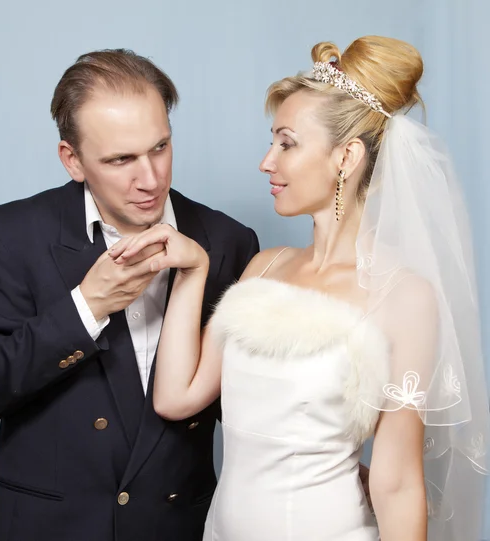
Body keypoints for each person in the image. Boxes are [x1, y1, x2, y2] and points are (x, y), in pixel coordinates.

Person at [108, 36, 490, 541]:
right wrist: (194, 270)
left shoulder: (404, 297)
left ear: (346, 157)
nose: (267, 161)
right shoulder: (264, 268)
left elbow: (397, 483)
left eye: (287, 143)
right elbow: (176, 398)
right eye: (273, 142)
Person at [0, 49, 259, 541]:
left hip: (177, 525)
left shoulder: (228, 242)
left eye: (160, 147)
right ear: (73, 160)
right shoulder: (9, 235)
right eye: (121, 159)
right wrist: (85, 307)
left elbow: (245, 407)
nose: (151, 179)